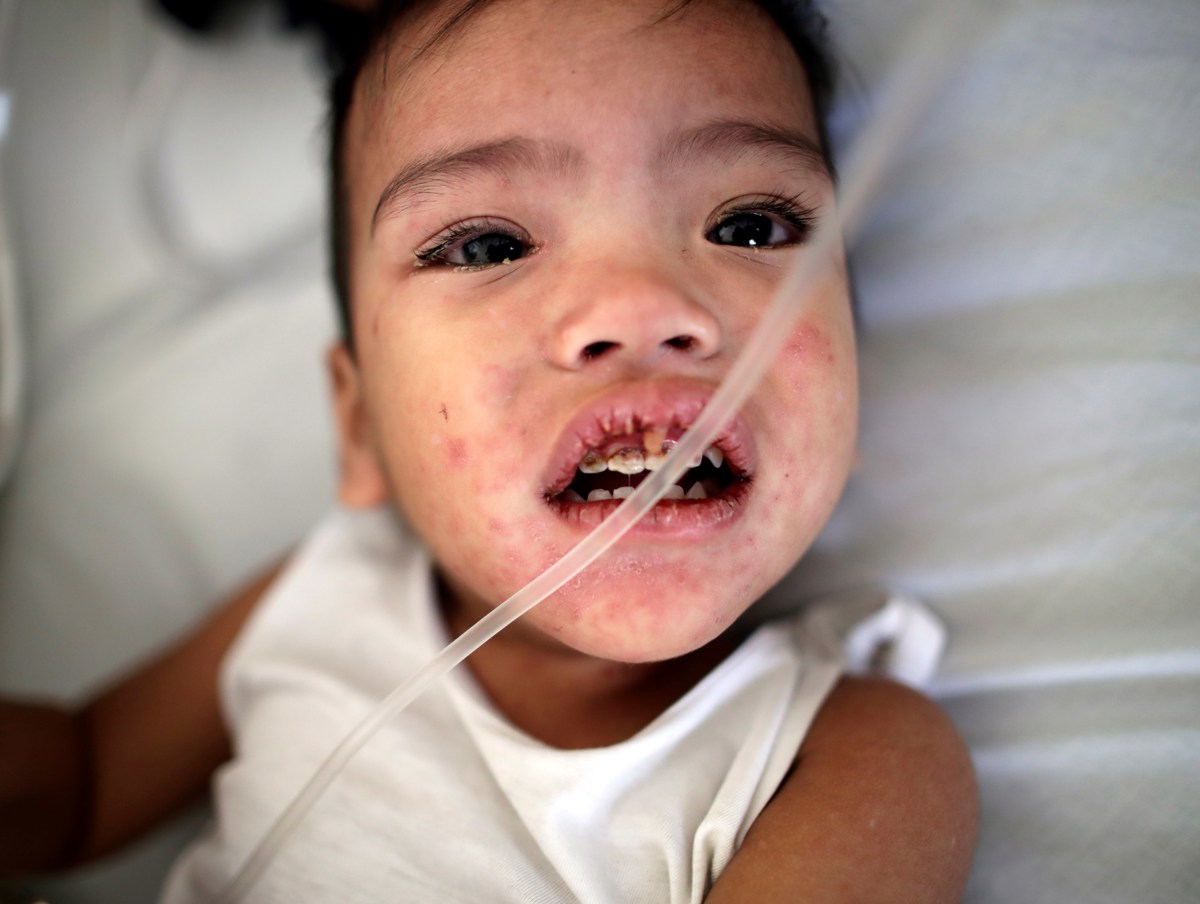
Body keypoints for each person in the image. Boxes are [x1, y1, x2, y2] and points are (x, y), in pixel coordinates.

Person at [0, 0, 978, 899]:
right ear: (359, 426)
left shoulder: (841, 755)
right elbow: (78, 784)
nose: (640, 308)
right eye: (487, 246)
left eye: (749, 225)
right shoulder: (329, 595)